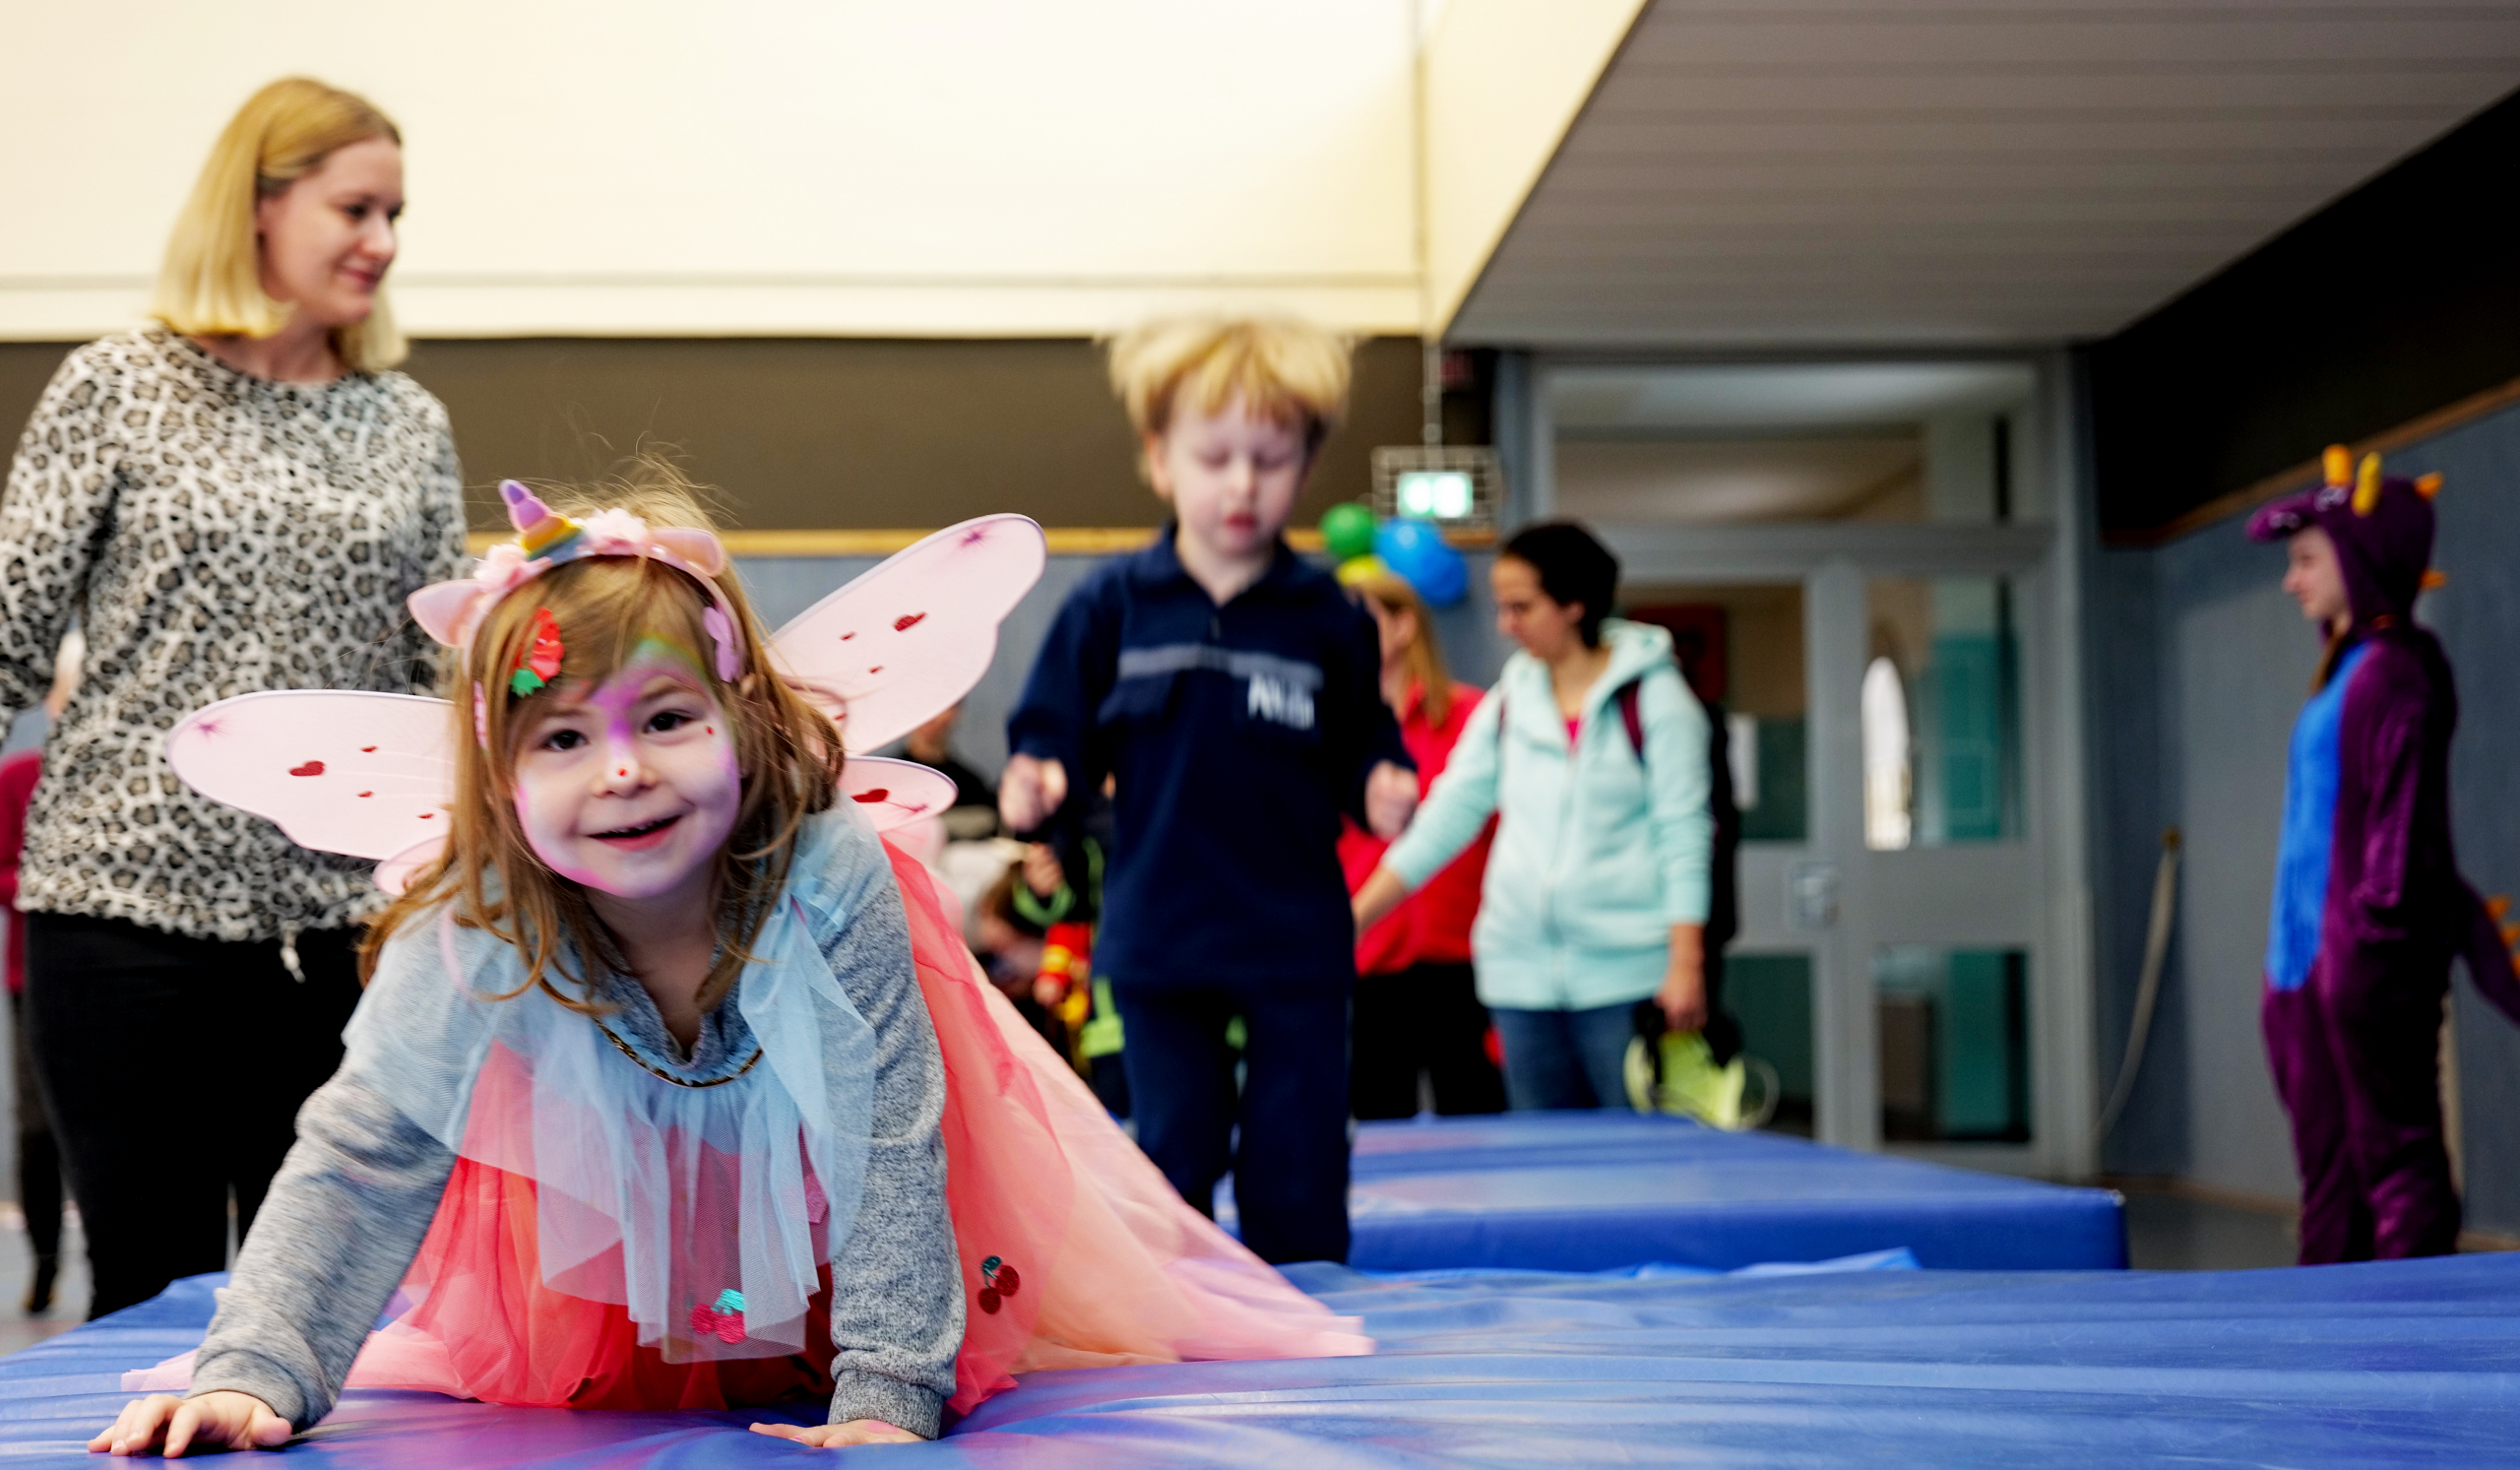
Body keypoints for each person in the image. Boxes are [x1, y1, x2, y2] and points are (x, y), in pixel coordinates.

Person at [94, 478, 1363, 1458]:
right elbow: (366, 1149)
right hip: (617, 1278)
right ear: (497, 777)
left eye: (666, 717)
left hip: (858, 1242)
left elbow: (885, 1130)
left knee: (910, 1259)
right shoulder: (480, 915)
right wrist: (256, 1367)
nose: (624, 770)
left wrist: (887, 1386)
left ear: (742, 722)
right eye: (563, 739)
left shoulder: (825, 869)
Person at [0, 78, 464, 1319]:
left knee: (323, 1300)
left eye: (396, 214)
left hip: (339, 931)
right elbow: (9, 630)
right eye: (355, 207)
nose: (383, 241)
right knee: (146, 1283)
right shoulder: (117, 383)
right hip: (119, 914)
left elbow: (442, 671)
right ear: (256, 207)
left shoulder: (405, 421)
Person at [1002, 316, 1417, 1265]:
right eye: (1215, 456)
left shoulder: (1327, 620)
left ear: (1305, 470)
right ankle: (1170, 1343)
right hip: (1162, 935)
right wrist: (1038, 779)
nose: (1241, 485)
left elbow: (1366, 744)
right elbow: (1050, 728)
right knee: (1173, 1151)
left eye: (1269, 461)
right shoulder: (1114, 604)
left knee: (1299, 1162)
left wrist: (1382, 783)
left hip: (1294, 941)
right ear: (1160, 460)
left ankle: (1308, 1332)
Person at [2248, 448, 2520, 1263]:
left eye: (2306, 561)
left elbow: (2400, 840)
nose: (2293, 581)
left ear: (2360, 561)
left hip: (2364, 968)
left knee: (2396, 1162)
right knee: (2330, 1176)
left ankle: (2406, 1333)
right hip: (2306, 968)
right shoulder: (2345, 671)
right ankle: (2330, 1322)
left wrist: (2371, 945)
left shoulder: (2396, 674)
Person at [1354, 521, 1712, 1112]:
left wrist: (1685, 963)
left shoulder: (1655, 701)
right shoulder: (1509, 701)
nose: (1505, 625)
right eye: (1500, 607)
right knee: (1537, 1170)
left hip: (1623, 979)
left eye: (1521, 607)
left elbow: (1684, 834)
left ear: (1574, 605)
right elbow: (1446, 818)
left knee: (1636, 1167)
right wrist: (1357, 916)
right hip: (1518, 982)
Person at [1339, 573, 1505, 1119]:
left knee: (1477, 1113)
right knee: (1379, 1121)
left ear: (1404, 625)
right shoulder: (1329, 725)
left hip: (1466, 956)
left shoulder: (1471, 718)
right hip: (1366, 954)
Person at [0, 631, 79, 1314]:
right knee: (36, 1126)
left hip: (116, 974)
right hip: (35, 974)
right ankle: (46, 1257)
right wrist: (53, 883)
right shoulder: (19, 776)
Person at [903, 703, 998, 839]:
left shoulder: (972, 786)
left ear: (955, 713)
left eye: (939, 706)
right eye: (921, 703)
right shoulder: (887, 778)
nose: (929, 716)